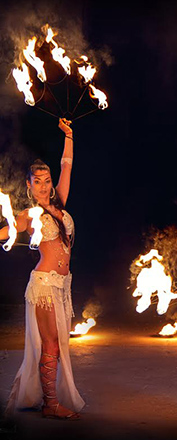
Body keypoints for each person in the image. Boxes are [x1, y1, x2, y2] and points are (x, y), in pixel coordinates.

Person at [1, 118, 84, 420]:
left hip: (62, 285)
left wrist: (69, 135)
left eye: (46, 180)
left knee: (58, 343)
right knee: (51, 343)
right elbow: (9, 230)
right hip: (44, 285)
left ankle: (48, 400)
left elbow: (67, 166)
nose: (44, 186)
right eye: (37, 181)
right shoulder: (28, 214)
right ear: (28, 184)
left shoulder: (59, 205)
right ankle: (50, 403)